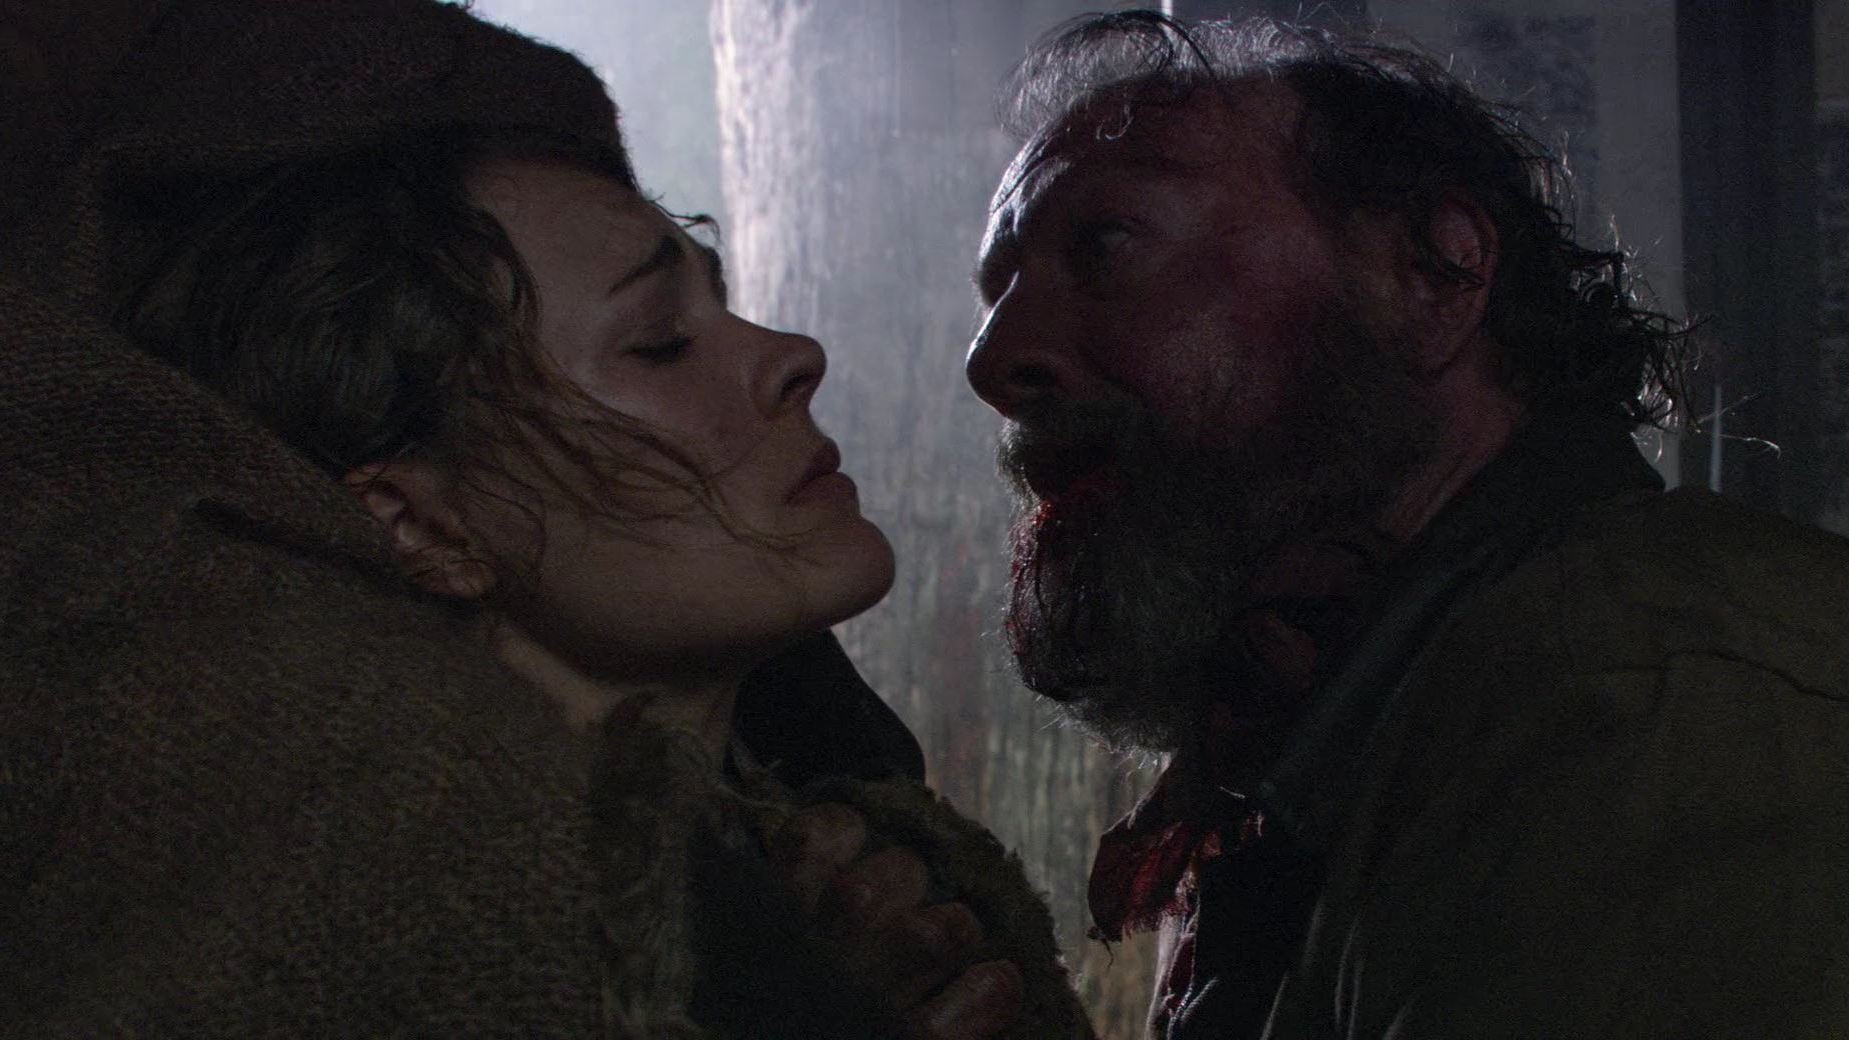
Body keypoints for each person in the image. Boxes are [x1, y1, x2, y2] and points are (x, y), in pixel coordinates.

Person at [0, 1, 1089, 1037]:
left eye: (720, 299)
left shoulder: (875, 864)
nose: (790, 355)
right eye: (659, 343)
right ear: (416, 521)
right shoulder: (396, 926)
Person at [964, 11, 1849, 1039]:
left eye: (1106, 243)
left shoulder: (1651, 702)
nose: (992, 360)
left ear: (1432, 276)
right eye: (997, 290)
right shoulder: (1324, 752)